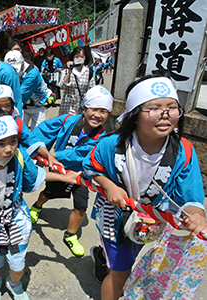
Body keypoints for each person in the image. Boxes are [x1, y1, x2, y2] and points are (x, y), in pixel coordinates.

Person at [83, 71, 207, 300]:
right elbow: (90, 169)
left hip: (149, 222)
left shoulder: (184, 151)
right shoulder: (111, 145)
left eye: (172, 107)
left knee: (132, 254)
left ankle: (103, 257)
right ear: (134, 114)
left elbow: (190, 196)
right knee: (122, 272)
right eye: (154, 108)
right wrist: (108, 185)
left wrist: (197, 215)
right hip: (115, 217)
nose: (165, 114)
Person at [0, 108, 80, 300]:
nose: (8, 149)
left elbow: (37, 175)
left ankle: (14, 283)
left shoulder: (19, 158)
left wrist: (66, 177)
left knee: (18, 262)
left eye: (13, 141)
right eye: (1, 143)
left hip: (16, 217)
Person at [28, 85, 113, 257]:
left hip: (81, 175)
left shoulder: (102, 138)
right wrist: (37, 148)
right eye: (94, 109)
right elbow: (44, 130)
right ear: (84, 108)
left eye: (103, 111)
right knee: (48, 193)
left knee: (81, 206)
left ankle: (70, 235)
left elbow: (78, 154)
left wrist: (52, 155)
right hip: (59, 171)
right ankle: (37, 206)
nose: (98, 115)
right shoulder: (68, 120)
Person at [0, 83, 60, 168]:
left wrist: (48, 155)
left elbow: (31, 141)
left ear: (13, 105)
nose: (3, 110)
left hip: (15, 165)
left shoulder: (17, 123)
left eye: (7, 105)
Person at [4, 50, 55, 131]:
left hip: (39, 106)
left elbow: (20, 96)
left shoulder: (32, 73)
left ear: (22, 62)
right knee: (18, 131)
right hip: (25, 106)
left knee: (36, 134)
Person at [59, 46, 95, 115]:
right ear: (73, 57)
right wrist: (69, 71)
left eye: (82, 57)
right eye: (77, 56)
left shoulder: (89, 72)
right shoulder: (67, 71)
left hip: (81, 107)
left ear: (85, 58)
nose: (79, 59)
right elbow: (62, 86)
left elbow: (92, 90)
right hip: (67, 106)